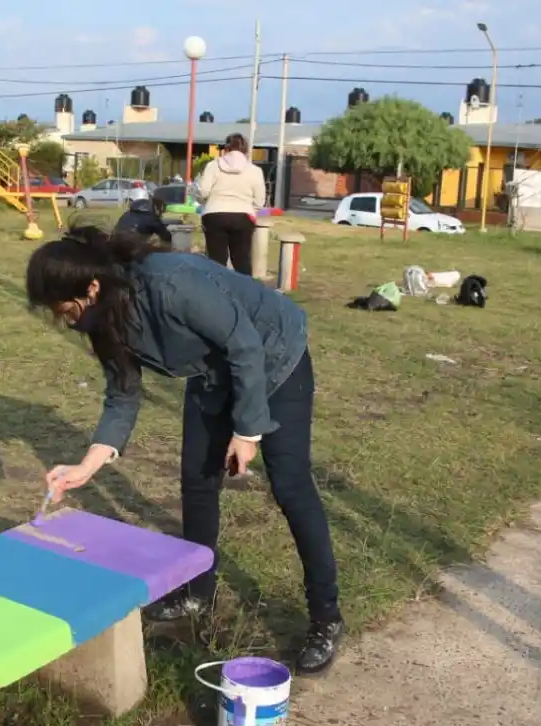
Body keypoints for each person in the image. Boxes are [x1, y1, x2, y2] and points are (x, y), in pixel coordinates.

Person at [26, 225, 346, 675]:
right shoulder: (105, 318)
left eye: (64, 308)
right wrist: (87, 465)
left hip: (272, 357)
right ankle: (198, 588)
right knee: (197, 481)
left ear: (91, 286)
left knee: (290, 485)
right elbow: (122, 393)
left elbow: (244, 345)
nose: (63, 318)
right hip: (212, 370)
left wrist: (247, 431)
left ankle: (326, 617)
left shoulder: (171, 284)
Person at [196, 133, 266, 277]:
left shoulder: (213, 166)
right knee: (242, 260)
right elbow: (260, 201)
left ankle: (216, 294)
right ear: (246, 150)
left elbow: (202, 192)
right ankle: (246, 293)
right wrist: (250, 209)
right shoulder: (255, 170)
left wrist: (206, 203)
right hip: (243, 216)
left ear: (226, 149)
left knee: (216, 261)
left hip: (214, 214)